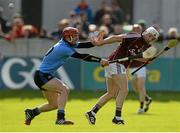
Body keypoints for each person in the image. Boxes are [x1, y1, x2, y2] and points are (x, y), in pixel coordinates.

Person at [24, 27, 109, 125]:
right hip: (42, 76)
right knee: (64, 89)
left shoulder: (66, 43)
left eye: (77, 36)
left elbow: (83, 45)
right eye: (74, 36)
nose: (77, 39)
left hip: (42, 76)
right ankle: (60, 119)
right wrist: (100, 60)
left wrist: (96, 43)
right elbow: (82, 56)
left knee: (54, 104)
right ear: (68, 37)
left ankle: (31, 112)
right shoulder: (63, 48)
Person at [85, 26, 159, 125]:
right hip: (116, 63)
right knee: (124, 90)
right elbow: (116, 38)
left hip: (113, 64)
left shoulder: (141, 45)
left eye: (152, 38)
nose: (150, 39)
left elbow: (133, 57)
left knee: (111, 93)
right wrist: (101, 43)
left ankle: (92, 112)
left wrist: (146, 60)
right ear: (145, 32)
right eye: (150, 36)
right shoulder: (135, 36)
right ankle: (117, 117)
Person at [128, 24, 152, 114]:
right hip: (131, 67)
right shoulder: (129, 40)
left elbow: (150, 53)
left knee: (141, 87)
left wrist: (150, 58)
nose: (136, 30)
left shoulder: (145, 41)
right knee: (136, 88)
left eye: (138, 29)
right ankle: (147, 98)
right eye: (134, 29)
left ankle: (141, 107)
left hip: (141, 67)